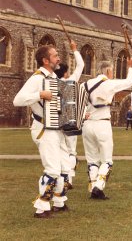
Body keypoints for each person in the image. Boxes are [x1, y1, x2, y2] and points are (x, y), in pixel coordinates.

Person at [13, 44, 71, 218]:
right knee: (52, 168)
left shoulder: (54, 78)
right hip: (44, 129)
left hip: (57, 128)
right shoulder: (37, 78)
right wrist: (40, 95)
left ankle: (59, 202)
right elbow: (18, 100)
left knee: (65, 167)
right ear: (45, 61)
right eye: (55, 56)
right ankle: (42, 207)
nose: (58, 58)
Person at [82, 57, 132, 200]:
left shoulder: (85, 84)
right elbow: (130, 82)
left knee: (92, 159)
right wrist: (130, 67)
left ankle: (93, 186)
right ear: (109, 71)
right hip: (102, 124)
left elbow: (77, 102)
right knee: (106, 160)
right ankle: (98, 186)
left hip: (87, 124)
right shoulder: (109, 84)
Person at [54, 40, 84, 189]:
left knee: (60, 149)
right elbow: (81, 66)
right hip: (69, 119)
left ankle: (62, 176)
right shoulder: (70, 81)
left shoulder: (52, 83)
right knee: (71, 151)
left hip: (55, 120)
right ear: (65, 73)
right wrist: (75, 49)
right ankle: (69, 179)